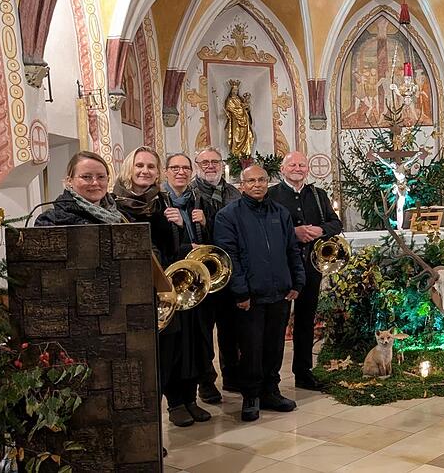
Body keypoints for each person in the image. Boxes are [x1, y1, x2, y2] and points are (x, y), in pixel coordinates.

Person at [112, 146, 209, 429]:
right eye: (139, 165)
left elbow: (175, 246)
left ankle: (189, 398)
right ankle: (173, 404)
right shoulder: (115, 203)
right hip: (137, 287)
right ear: (129, 168)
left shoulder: (163, 200)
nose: (145, 171)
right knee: (156, 354)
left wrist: (179, 227)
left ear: (157, 173)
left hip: (170, 285)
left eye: (150, 166)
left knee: (183, 346)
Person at [214, 165, 305, 422]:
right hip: (250, 296)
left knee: (274, 346)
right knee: (251, 348)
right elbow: (229, 257)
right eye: (251, 180)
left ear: (268, 182)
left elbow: (292, 249)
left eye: (261, 180)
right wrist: (241, 291)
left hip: (280, 293)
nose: (257, 185)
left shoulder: (280, 212)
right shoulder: (228, 215)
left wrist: (297, 282)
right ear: (241, 185)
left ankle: (270, 391)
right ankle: (251, 396)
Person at [267, 151, 342, 391]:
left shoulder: (318, 195)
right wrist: (294, 233)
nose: (297, 168)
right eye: (292, 164)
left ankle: (303, 371)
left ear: (307, 169)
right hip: (282, 267)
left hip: (311, 265)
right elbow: (264, 229)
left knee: (305, 320)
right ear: (283, 168)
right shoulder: (271, 195)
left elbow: (335, 223)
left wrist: (320, 230)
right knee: (277, 322)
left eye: (301, 164)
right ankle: (271, 377)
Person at [189, 147, 242, 403]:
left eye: (215, 161)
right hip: (202, 273)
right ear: (197, 165)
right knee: (203, 333)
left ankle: (232, 375)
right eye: (205, 162)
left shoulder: (234, 193)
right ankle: (206, 382)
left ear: (222, 165)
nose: (210, 166)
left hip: (229, 271)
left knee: (231, 330)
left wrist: (207, 220)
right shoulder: (190, 193)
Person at [35, 151, 124, 226]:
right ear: (69, 181)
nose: (95, 182)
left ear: (108, 180)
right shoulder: (50, 219)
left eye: (101, 177)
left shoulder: (122, 214)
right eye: (86, 177)